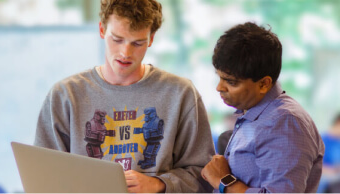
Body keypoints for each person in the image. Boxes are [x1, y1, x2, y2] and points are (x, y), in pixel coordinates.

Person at [34, 0, 215, 193]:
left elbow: (204, 174)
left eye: (138, 43)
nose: (125, 53)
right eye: (117, 39)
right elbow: (41, 176)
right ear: (102, 30)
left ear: (151, 38)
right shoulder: (65, 96)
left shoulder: (180, 94)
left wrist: (159, 184)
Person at [201, 22, 325, 193]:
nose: (219, 87)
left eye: (231, 82)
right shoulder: (254, 114)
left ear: (263, 84)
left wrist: (224, 181)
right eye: (219, 77)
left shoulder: (284, 122)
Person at [318, 113, 340, 193]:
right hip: (325, 183)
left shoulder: (338, 142)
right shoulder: (320, 140)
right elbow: (313, 167)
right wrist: (332, 171)